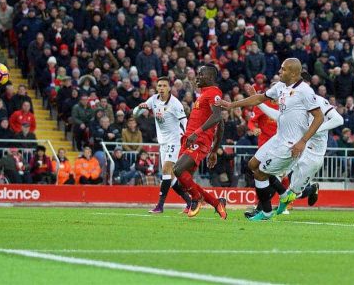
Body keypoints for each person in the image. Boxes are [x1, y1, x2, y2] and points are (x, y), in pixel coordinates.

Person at [218, 59, 324, 221]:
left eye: (284, 70)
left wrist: (302, 142)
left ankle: (266, 212)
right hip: (277, 138)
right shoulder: (280, 87)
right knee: (252, 165)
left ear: (294, 73)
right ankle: (284, 194)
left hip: (290, 145)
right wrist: (231, 105)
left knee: (261, 174)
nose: (280, 72)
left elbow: (319, 117)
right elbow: (259, 98)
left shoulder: (305, 91)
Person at [244, 84, 343, 215]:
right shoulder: (292, 102)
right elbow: (277, 115)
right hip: (294, 146)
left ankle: (310, 189)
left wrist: (313, 131)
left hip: (312, 154)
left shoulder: (317, 101)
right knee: (268, 173)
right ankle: (262, 210)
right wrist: (258, 101)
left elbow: (338, 120)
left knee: (294, 192)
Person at [171, 64, 228, 219]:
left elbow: (217, 117)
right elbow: (221, 123)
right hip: (189, 139)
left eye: (200, 74)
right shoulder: (203, 94)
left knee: (177, 170)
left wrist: (198, 134)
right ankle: (217, 203)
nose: (197, 77)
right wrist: (214, 151)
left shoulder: (214, 92)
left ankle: (196, 199)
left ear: (210, 77)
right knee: (183, 180)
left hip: (199, 140)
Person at [133, 77, 191, 214]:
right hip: (163, 142)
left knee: (166, 170)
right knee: (170, 178)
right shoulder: (153, 99)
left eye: (164, 85)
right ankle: (191, 201)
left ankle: (160, 206)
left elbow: (184, 121)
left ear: (169, 88)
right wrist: (139, 109)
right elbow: (136, 113)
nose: (161, 88)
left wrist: (188, 138)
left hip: (175, 140)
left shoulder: (175, 104)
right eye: (159, 85)